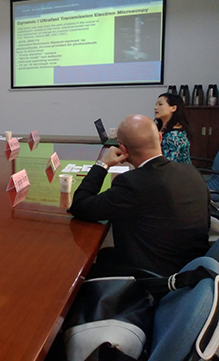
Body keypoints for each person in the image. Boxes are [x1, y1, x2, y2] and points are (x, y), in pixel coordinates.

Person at [70, 115, 209, 276]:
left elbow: (80, 206)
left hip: (153, 277)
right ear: (160, 137)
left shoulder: (132, 183)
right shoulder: (191, 171)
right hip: (193, 269)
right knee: (105, 255)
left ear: (123, 149)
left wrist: (103, 164)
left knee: (78, 270)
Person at [154, 92, 192, 163]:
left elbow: (168, 164)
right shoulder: (159, 128)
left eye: (160, 104)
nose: (155, 107)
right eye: (156, 104)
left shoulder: (174, 135)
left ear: (173, 108)